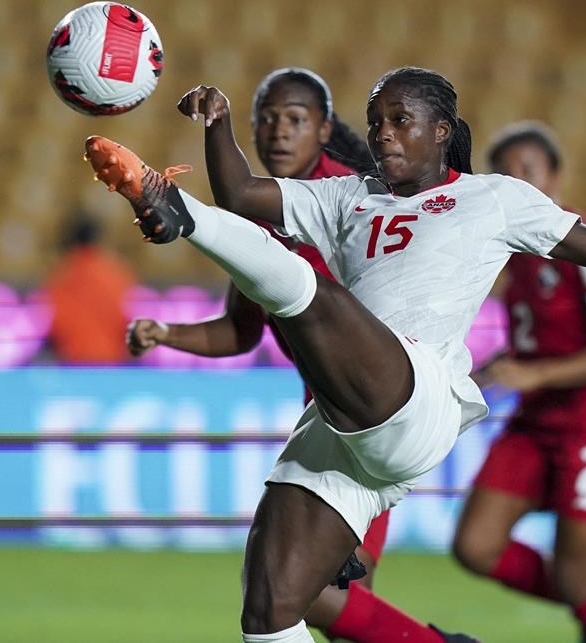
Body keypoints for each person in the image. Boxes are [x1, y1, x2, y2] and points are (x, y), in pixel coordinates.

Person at [82, 66, 586, 643]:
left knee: (305, 290)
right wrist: (216, 124)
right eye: (376, 123)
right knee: (272, 605)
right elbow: (243, 192)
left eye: (401, 120)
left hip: (417, 397)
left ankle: (172, 209)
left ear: (443, 131)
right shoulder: (350, 199)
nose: (385, 135)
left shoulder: (496, 198)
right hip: (342, 426)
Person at [125, 68, 453, 642]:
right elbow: (241, 330)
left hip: (379, 411)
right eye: (268, 120)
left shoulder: (359, 199)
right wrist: (166, 333)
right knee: (317, 600)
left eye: (295, 120)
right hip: (330, 421)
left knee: (314, 597)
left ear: (323, 128)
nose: (279, 132)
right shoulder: (263, 212)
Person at [452, 121, 586, 643]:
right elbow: (530, 345)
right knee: (475, 546)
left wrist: (532, 374)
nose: (518, 183)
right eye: (506, 175)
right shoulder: (513, 255)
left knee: (575, 579)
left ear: (554, 177)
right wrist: (477, 375)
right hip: (538, 419)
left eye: (528, 172)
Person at [45, 213, 136, 364]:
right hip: (111, 362)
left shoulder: (62, 274)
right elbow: (126, 319)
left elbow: (55, 322)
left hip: (73, 362)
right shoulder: (117, 272)